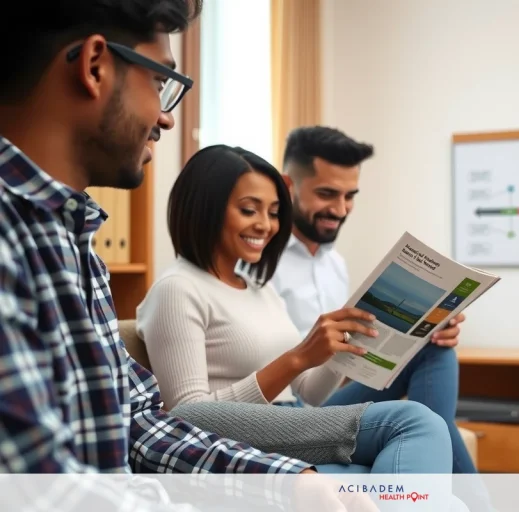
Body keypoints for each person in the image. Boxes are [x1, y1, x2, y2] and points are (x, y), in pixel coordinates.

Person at [0, 2, 378, 510]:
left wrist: (290, 481)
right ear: (95, 66)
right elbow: (45, 491)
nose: (166, 117)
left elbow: (142, 421)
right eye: (161, 82)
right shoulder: (14, 242)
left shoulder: (76, 246)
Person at [135, 143, 456, 478]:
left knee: (418, 458)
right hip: (246, 437)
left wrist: (343, 343)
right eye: (249, 210)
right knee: (413, 422)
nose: (266, 225)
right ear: (205, 209)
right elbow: (187, 417)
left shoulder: (259, 288)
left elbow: (311, 392)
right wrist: (296, 359)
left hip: (293, 417)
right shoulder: (177, 289)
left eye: (274, 213)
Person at [268, 126, 477, 475]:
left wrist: (427, 326)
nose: (340, 209)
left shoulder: (335, 265)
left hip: (328, 401)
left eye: (350, 196)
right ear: (288, 186)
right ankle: (476, 497)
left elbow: (343, 363)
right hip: (286, 416)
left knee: (435, 346)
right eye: (327, 194)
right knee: (426, 423)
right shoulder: (260, 263)